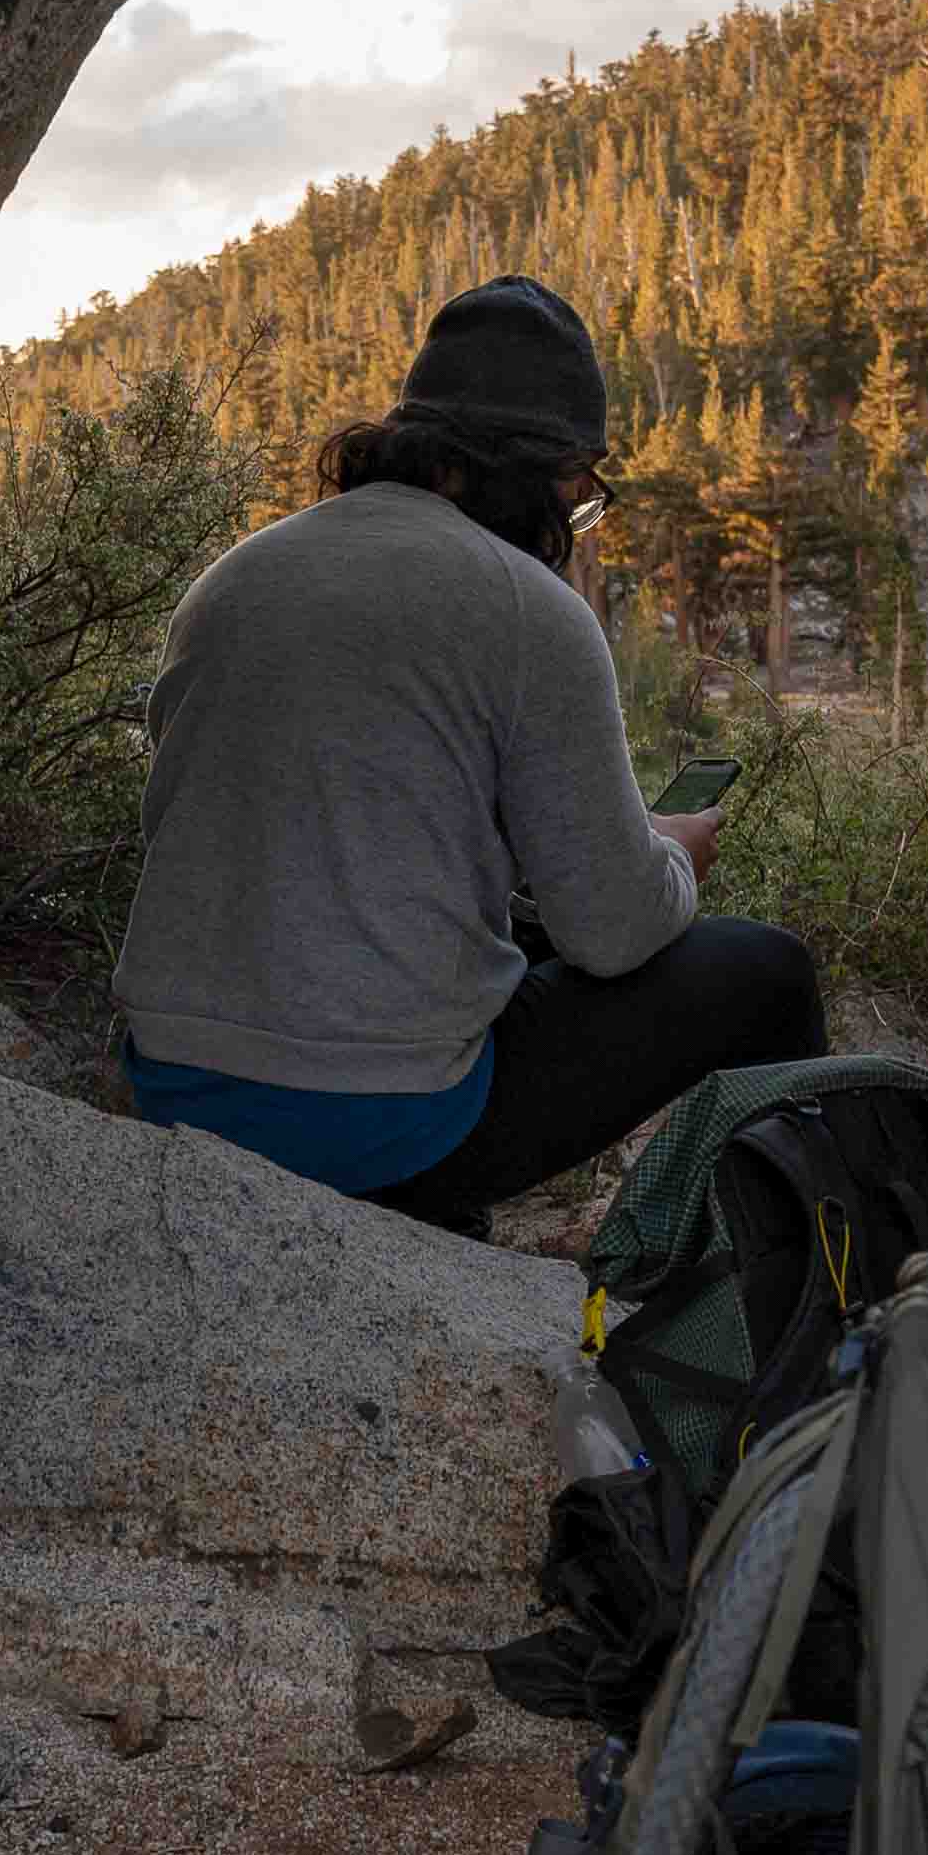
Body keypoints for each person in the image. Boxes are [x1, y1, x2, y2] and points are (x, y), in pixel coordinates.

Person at [111, 278, 829, 1230]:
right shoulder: (530, 610)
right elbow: (614, 931)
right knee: (768, 973)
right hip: (375, 1123)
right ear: (543, 471)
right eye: (580, 492)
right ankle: (800, 1273)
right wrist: (675, 858)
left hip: (173, 1085)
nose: (575, 520)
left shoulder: (233, 577)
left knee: (520, 937)